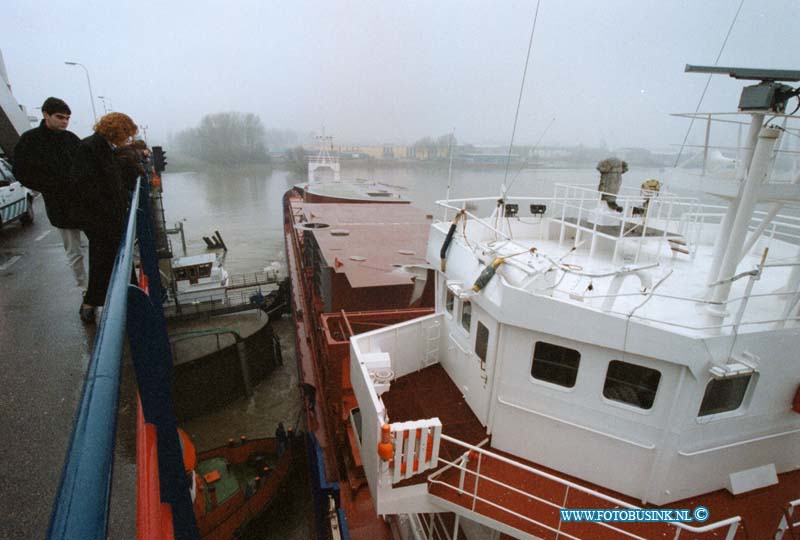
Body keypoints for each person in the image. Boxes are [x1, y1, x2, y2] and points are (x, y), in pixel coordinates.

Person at [71, 112, 138, 323]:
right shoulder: (90, 147)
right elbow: (84, 184)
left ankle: (100, 302)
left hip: (108, 216)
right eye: (126, 133)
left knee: (108, 259)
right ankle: (93, 304)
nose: (127, 139)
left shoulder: (103, 147)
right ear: (117, 130)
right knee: (104, 259)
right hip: (100, 218)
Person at [12, 97, 86, 289]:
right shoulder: (30, 140)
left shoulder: (71, 139)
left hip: (83, 202)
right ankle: (84, 291)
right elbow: (20, 171)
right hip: (61, 206)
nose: (64, 122)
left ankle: (96, 289)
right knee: (74, 251)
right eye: (60, 117)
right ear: (46, 115)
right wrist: (48, 186)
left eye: (67, 118)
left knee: (97, 245)